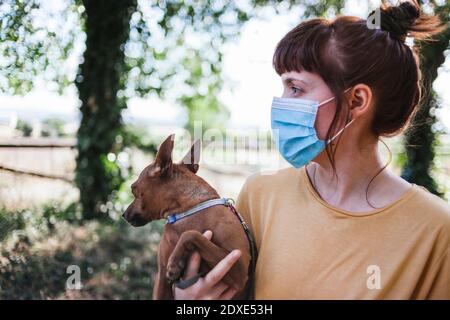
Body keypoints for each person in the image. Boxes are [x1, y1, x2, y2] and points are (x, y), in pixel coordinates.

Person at [173, 0, 450, 299]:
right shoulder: (261, 195)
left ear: (357, 100)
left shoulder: (436, 231)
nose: (281, 103)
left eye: (296, 89)